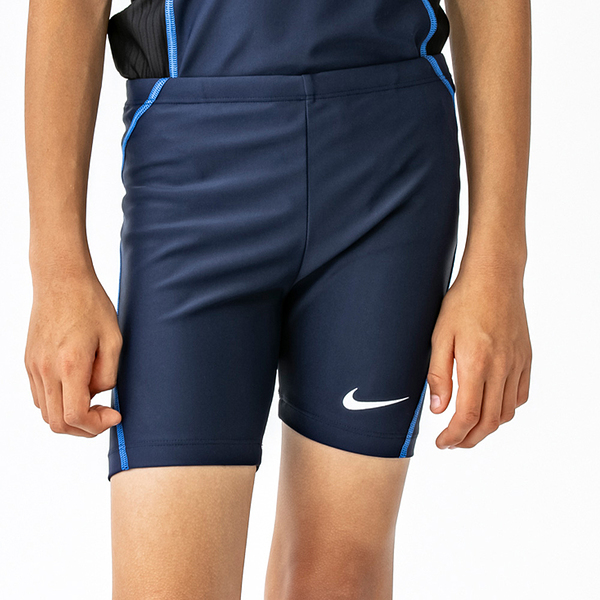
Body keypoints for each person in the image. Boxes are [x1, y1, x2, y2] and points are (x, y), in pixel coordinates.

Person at [23, 0, 532, 598]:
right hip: (194, 164)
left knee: (338, 581)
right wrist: (57, 271)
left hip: (389, 168)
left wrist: (499, 264)